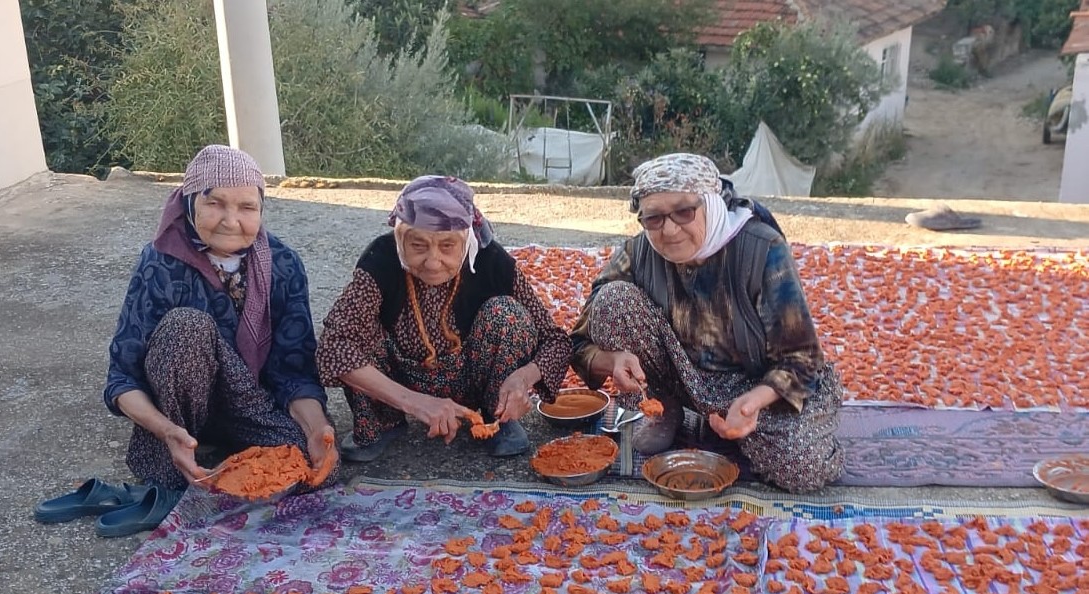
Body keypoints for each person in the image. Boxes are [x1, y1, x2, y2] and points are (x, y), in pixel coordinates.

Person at [570, 153, 843, 493]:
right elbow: (578, 342)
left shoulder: (761, 250)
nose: (669, 230)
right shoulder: (638, 253)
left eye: (684, 212)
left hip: (756, 385)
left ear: (713, 203)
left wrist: (753, 403)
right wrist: (612, 361)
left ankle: (740, 429)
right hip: (687, 380)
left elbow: (802, 358)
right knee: (613, 300)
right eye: (653, 218)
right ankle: (665, 410)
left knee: (803, 467)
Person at [104, 145, 336, 523]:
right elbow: (121, 380)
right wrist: (166, 430)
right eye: (215, 204)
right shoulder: (161, 263)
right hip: (175, 412)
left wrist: (317, 428)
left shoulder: (284, 264)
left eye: (247, 207)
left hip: (249, 403)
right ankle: (176, 456)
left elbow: (293, 372)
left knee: (310, 466)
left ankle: (223, 451)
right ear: (190, 202)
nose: (231, 221)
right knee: (187, 327)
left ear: (261, 210)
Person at [316, 175, 571, 462]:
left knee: (508, 315)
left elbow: (557, 341)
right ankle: (381, 421)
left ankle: (495, 416)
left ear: (467, 241)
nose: (433, 262)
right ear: (400, 239)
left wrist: (522, 379)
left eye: (448, 246)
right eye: (418, 246)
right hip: (397, 378)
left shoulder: (491, 262)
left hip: (472, 378)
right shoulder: (381, 259)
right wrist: (415, 402)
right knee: (356, 327)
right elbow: (333, 347)